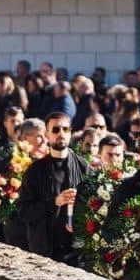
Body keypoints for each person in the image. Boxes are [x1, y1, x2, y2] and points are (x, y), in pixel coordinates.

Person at [18, 112, 91, 263]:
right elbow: (24, 212)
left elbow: (96, 205)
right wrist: (54, 202)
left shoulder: (83, 167)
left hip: (77, 252)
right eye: (56, 130)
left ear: (70, 133)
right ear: (47, 135)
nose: (61, 134)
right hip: (45, 251)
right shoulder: (35, 171)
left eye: (65, 129)